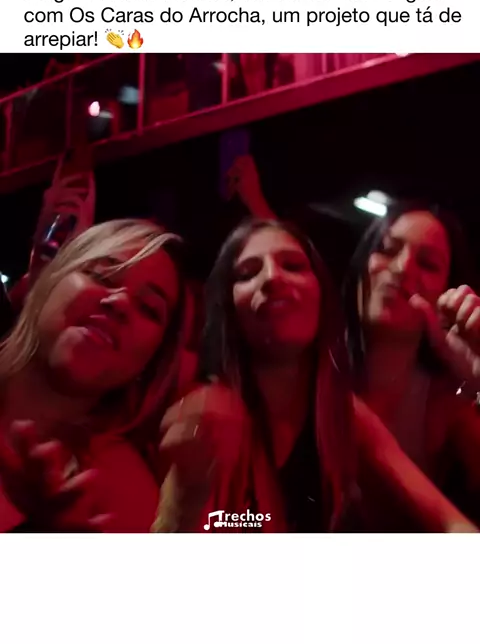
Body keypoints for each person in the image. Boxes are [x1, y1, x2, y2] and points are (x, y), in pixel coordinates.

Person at [154, 218, 475, 533]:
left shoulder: (342, 412)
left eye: (293, 266)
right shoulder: (204, 407)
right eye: (247, 273)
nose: (271, 278)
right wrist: (186, 495)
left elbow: (446, 518)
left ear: (322, 293)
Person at [0, 218, 192, 532]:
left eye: (148, 308)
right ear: (51, 281)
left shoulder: (127, 498)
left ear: (153, 360)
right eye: (101, 275)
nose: (119, 302)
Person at [343, 201, 480, 523]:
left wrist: (478, 376)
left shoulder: (444, 401)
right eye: (387, 250)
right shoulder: (314, 368)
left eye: (428, 264)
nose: (402, 267)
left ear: (447, 292)